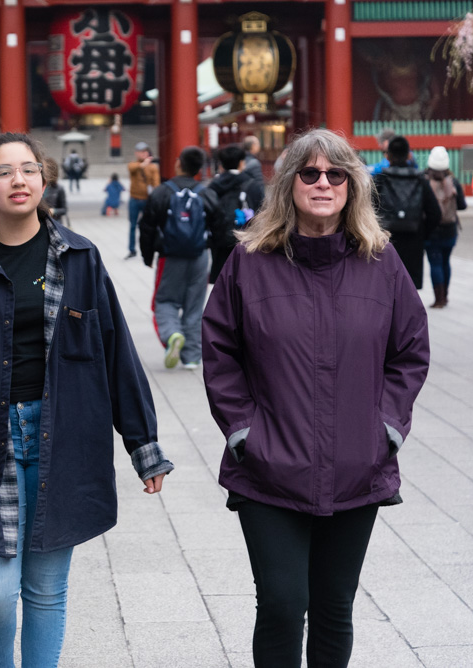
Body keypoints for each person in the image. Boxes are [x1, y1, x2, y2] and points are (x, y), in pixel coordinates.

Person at [0, 132, 172, 668]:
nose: (18, 180)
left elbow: (117, 355)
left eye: (28, 170)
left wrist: (143, 442)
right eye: (3, 172)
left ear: (43, 181)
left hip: (62, 438)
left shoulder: (81, 259)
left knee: (45, 591)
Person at [202, 128, 430, 668]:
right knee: (283, 604)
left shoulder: (382, 262)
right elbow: (220, 352)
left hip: (357, 465)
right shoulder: (250, 261)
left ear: (353, 186)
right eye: (310, 173)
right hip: (268, 468)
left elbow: (410, 352)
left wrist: (387, 430)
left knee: (333, 608)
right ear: (289, 184)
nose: (323, 183)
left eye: (336, 174)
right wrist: (243, 432)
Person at [140, 146, 222, 369]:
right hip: (199, 256)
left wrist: (147, 255)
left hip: (170, 256)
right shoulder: (206, 193)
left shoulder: (162, 192)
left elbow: (147, 225)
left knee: (165, 300)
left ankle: (173, 334)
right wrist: (217, 261)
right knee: (195, 305)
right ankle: (192, 357)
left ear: (179, 164)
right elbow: (220, 229)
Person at [372, 135, 440, 289]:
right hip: (414, 241)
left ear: (387, 156)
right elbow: (435, 213)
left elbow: (368, 210)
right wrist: (422, 233)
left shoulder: (380, 179)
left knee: (385, 287)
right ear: (409, 155)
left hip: (385, 241)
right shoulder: (421, 180)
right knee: (409, 290)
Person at [207, 143, 265, 283]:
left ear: (222, 164)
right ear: (241, 163)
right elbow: (261, 211)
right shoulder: (252, 185)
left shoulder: (213, 186)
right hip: (245, 239)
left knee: (221, 279)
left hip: (219, 239)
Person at [424, 145, 467, 308]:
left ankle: (438, 299)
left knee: (435, 263)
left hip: (431, 230)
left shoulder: (425, 180)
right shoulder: (454, 181)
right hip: (450, 230)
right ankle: (445, 296)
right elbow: (462, 205)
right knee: (445, 262)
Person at [126, 141, 160, 258]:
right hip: (134, 199)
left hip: (147, 200)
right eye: (140, 152)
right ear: (136, 153)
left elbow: (156, 183)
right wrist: (143, 164)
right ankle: (131, 249)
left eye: (145, 151)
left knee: (148, 225)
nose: (143, 154)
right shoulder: (133, 165)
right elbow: (132, 169)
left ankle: (149, 248)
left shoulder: (153, 167)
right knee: (132, 225)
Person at [42, 156, 68, 225]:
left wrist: (54, 211)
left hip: (54, 222)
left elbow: (64, 209)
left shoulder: (59, 188)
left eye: (46, 170)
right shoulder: (36, 186)